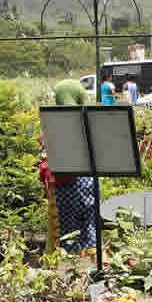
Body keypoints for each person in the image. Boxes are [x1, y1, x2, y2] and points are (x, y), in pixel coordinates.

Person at [48, 89, 97, 253]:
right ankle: (91, 257)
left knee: (68, 226)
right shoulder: (88, 119)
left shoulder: (59, 121)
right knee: (89, 222)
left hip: (68, 182)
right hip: (89, 180)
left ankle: (71, 260)